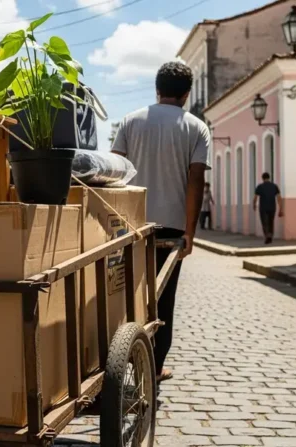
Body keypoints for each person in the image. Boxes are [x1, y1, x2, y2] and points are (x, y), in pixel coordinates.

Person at [111, 61, 210, 383]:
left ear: (157, 89)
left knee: (126, 292)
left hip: (131, 225)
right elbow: (196, 181)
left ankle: (120, 358)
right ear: (187, 94)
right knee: (163, 299)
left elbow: (114, 175)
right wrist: (190, 232)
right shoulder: (196, 128)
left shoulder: (130, 121)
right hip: (171, 226)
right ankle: (154, 367)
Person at [253, 172, 283, 244]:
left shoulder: (260, 187)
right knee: (271, 222)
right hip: (272, 207)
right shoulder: (274, 186)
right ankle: (270, 235)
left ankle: (267, 235)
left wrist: (254, 205)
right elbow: (279, 198)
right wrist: (280, 208)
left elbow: (255, 197)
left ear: (262, 178)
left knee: (264, 222)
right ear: (269, 178)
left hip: (263, 208)